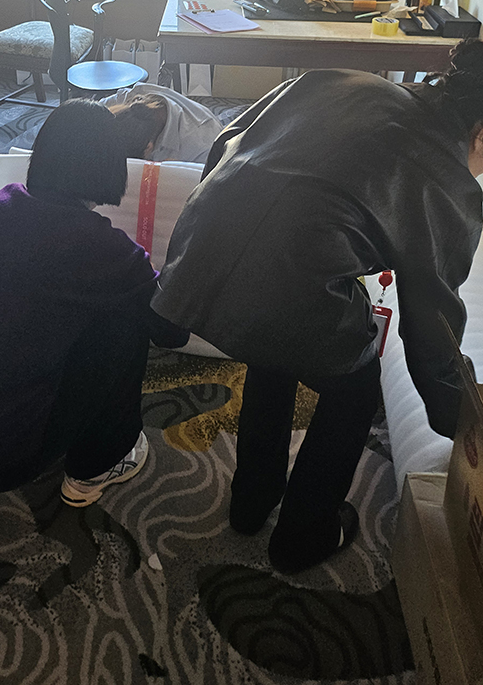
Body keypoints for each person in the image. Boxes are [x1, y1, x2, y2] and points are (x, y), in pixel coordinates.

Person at [152, 39, 483, 572]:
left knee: (275, 348)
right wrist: (465, 423)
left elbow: (228, 139)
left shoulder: (340, 80)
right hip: (284, 274)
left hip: (201, 245)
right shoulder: (447, 180)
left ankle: (251, 500)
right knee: (355, 387)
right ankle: (302, 536)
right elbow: (432, 326)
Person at [0, 100, 183, 505]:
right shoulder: (105, 250)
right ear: (113, 168)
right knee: (126, 322)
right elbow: (172, 330)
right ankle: (97, 466)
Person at [102, 83, 223, 164]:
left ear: (148, 148)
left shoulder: (203, 148)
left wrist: (173, 173)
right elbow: (92, 114)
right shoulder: (127, 99)